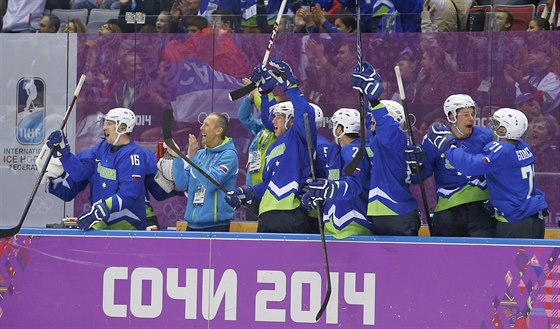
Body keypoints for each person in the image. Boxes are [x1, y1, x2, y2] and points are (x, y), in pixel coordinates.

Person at [225, 59, 317, 233]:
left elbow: (305, 114)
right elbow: (268, 183)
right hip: (266, 214)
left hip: (290, 213)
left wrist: (291, 86)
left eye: (279, 117)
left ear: (291, 120)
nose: (272, 120)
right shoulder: (275, 145)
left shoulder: (299, 137)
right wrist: (247, 191)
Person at [431, 108, 549, 239]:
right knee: (534, 260)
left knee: (509, 260)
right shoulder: (522, 146)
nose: (492, 127)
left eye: (496, 124)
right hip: (534, 216)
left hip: (515, 221)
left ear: (503, 131)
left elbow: (470, 166)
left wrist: (447, 146)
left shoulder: (501, 151)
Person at [45, 108, 154, 230]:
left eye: (109, 123)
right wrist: (64, 154)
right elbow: (80, 173)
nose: (104, 127)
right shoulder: (101, 148)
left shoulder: (134, 155)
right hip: (103, 227)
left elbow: (128, 194)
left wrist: (99, 210)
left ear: (123, 128)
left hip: (129, 229)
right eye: (105, 123)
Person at [408, 94, 496, 237]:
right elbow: (420, 175)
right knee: (445, 257)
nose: (471, 118)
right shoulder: (435, 139)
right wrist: (414, 165)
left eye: (473, 114)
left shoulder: (486, 136)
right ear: (451, 116)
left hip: (480, 209)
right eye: (465, 114)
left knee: (481, 256)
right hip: (447, 211)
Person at [351, 62, 421, 236]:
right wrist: (367, 96)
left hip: (399, 212)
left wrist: (375, 100)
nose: (371, 119)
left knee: (404, 263)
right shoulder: (376, 142)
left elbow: (385, 125)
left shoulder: (396, 138)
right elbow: (373, 124)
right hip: (380, 213)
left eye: (375, 116)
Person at [302, 107, 373, 238]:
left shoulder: (355, 151)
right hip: (332, 225)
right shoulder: (335, 150)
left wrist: (329, 188)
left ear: (341, 129)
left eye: (334, 125)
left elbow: (353, 185)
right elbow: (333, 183)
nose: (333, 130)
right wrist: (318, 195)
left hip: (353, 223)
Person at [169, 112, 239, 231]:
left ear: (218, 130)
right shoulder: (200, 155)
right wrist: (177, 158)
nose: (201, 128)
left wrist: (193, 158)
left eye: (206, 125)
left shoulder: (229, 156)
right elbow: (181, 184)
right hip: (191, 226)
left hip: (215, 227)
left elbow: (211, 184)